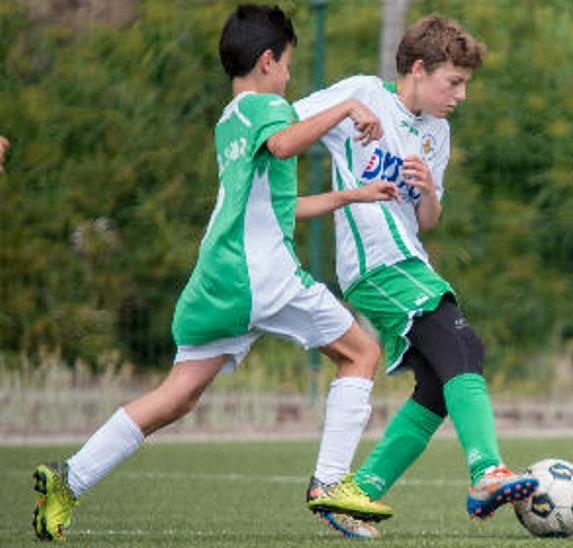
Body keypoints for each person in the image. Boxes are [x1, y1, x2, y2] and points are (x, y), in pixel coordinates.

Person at [30, 5, 401, 541]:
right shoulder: (267, 108)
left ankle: (69, 480)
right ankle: (329, 484)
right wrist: (347, 106)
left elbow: (275, 207)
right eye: (289, 66)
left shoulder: (229, 121)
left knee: (176, 396)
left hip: (217, 280)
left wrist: (351, 195)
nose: (290, 79)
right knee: (362, 354)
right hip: (259, 277)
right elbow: (284, 143)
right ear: (269, 61)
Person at [291, 14, 537, 539]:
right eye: (454, 82)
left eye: (466, 84)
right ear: (419, 69)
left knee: (437, 383)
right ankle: (487, 472)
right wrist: (347, 111)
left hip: (409, 260)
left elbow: (428, 221)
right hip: (374, 264)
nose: (461, 95)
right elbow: (287, 125)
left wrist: (426, 189)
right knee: (465, 345)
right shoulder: (363, 93)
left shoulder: (437, 133)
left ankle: (358, 496)